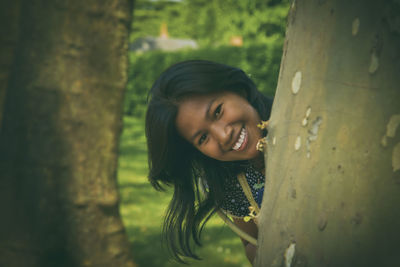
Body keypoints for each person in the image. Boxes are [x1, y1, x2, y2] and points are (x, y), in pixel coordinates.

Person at [145, 60, 273, 264]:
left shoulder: (300, 123)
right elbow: (251, 242)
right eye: (203, 138)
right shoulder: (234, 184)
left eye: (217, 112)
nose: (223, 136)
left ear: (238, 89)